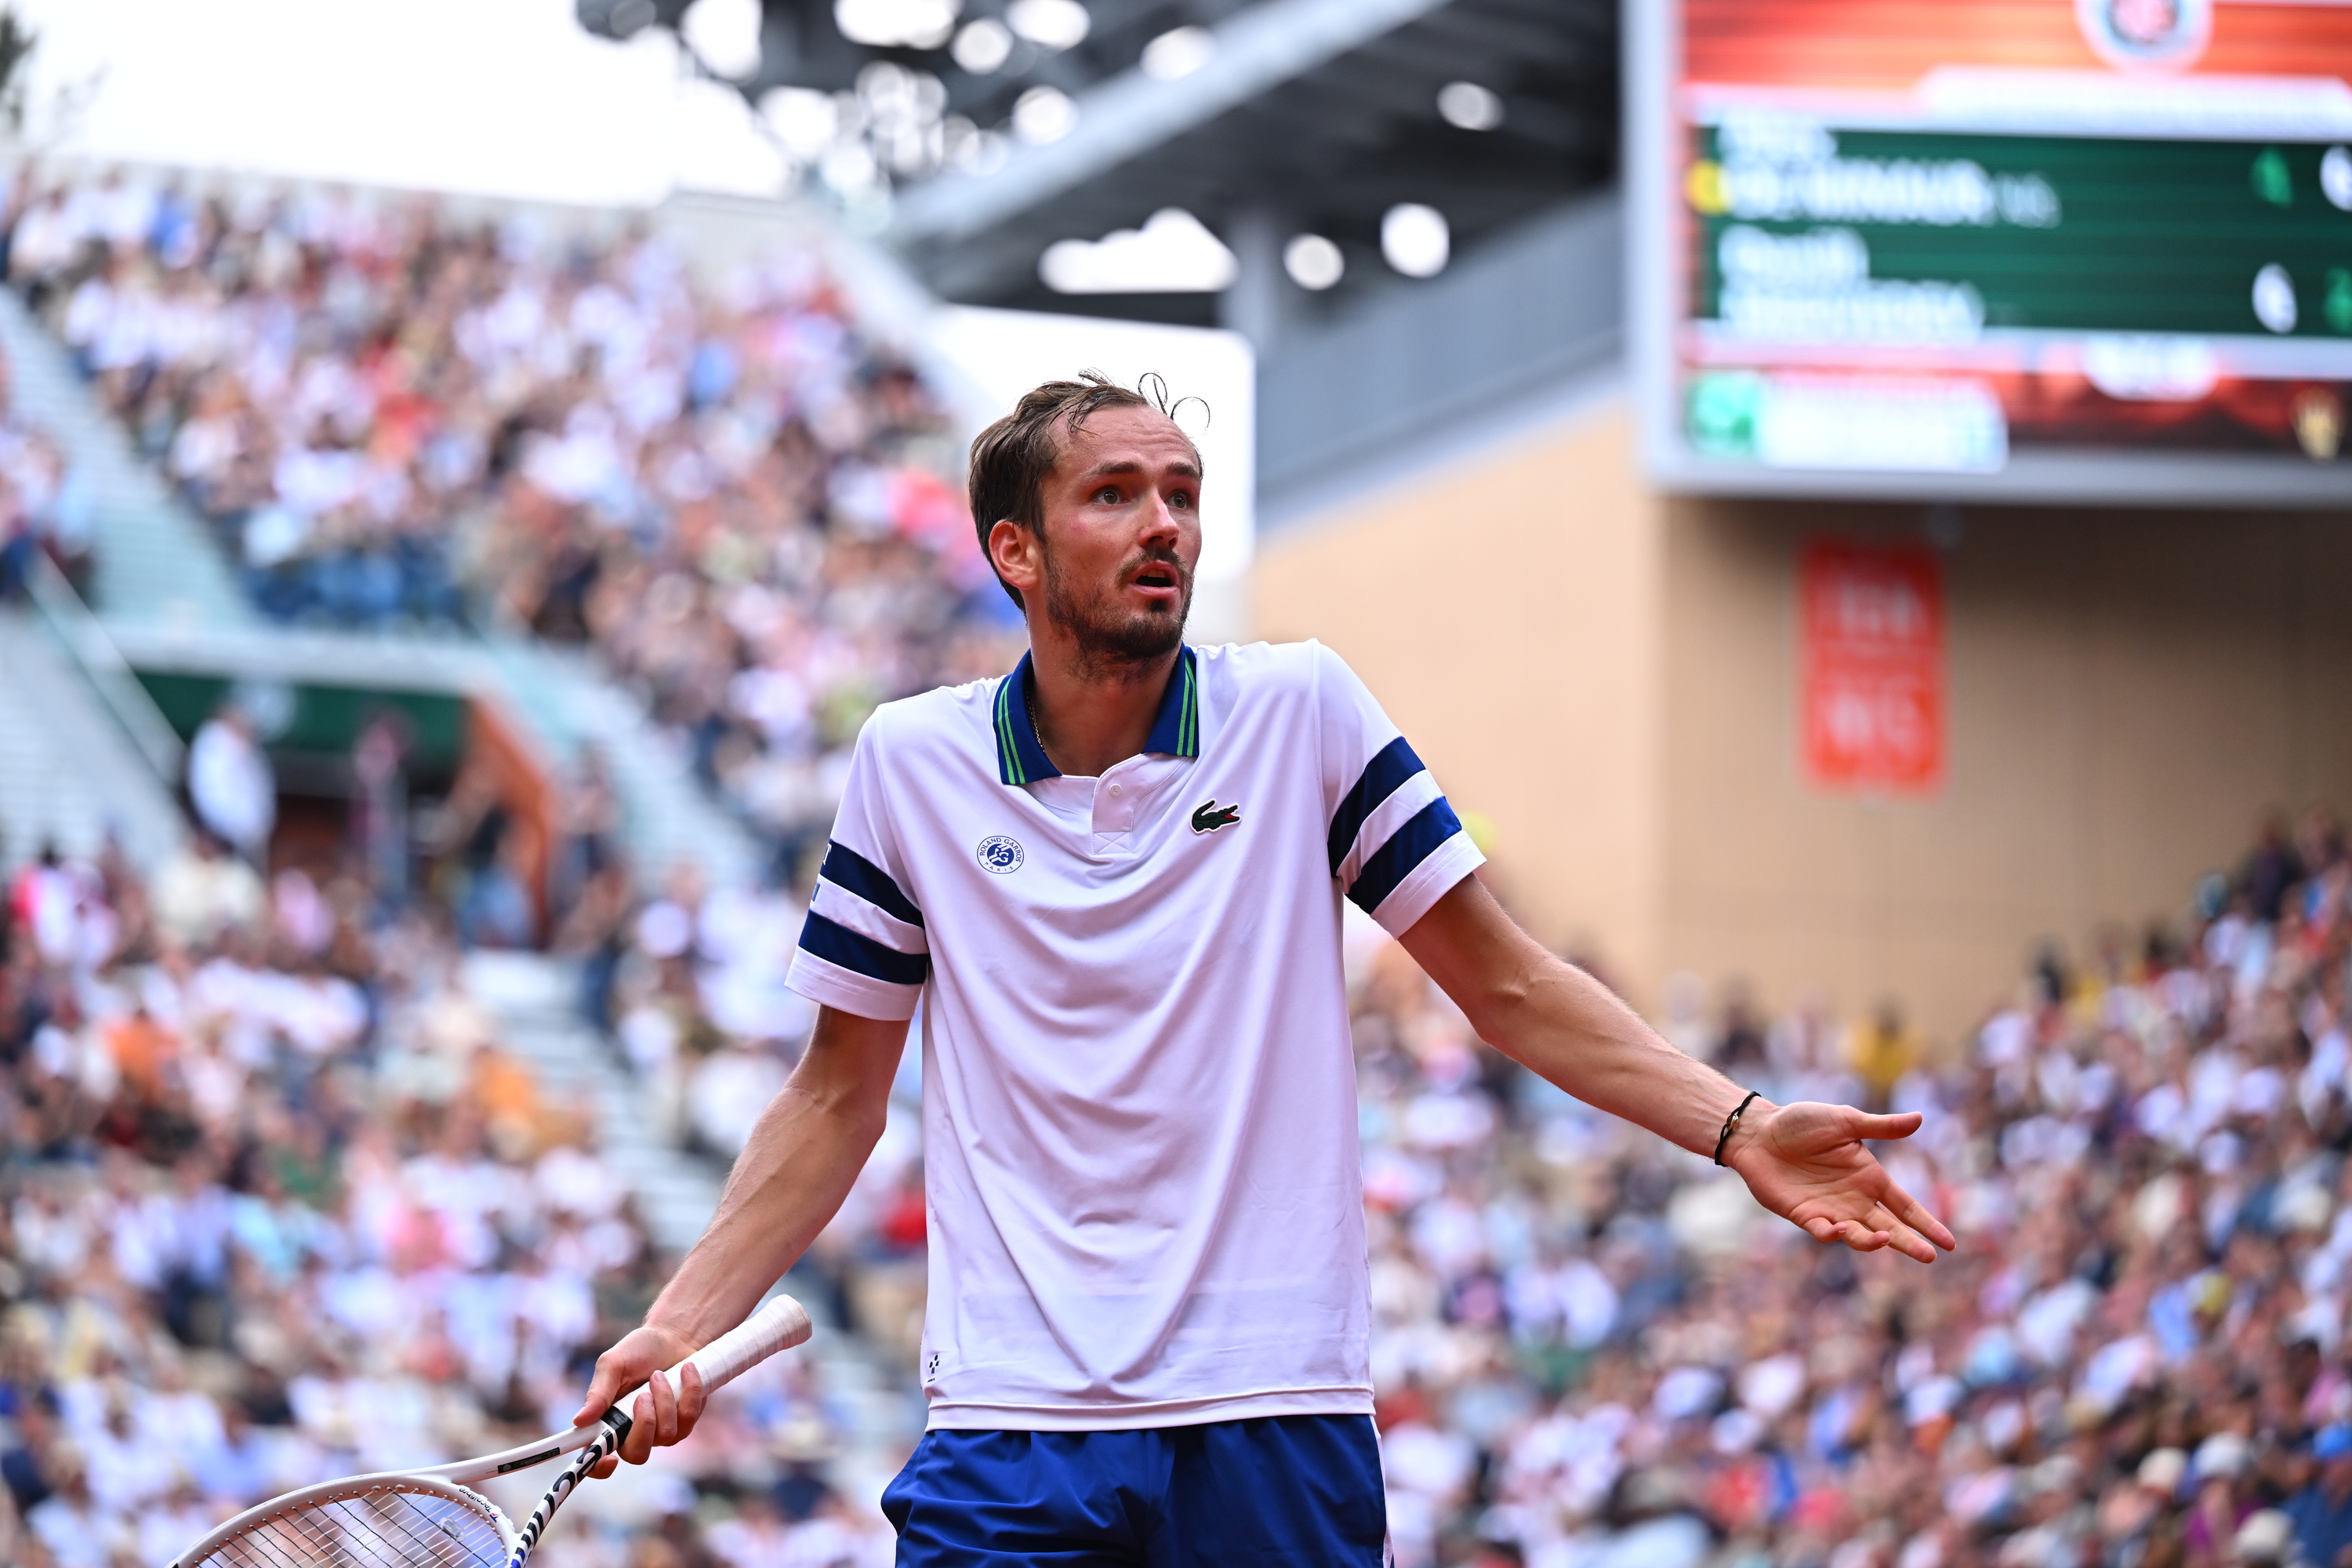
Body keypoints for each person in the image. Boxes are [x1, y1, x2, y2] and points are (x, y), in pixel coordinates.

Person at [575, 374, 1955, 1565]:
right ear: (1015, 550)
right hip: (1012, 1420)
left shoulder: (1302, 710)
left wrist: (1742, 1127)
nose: (1163, 522)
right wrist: (679, 1323)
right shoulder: (910, 764)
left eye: (1180, 492)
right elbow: (833, 1099)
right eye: (1113, 495)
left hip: (1275, 1413)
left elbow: (1507, 983)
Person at [187, 702, 275, 866]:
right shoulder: (214, 744)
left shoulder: (252, 752)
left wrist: (258, 830)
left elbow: (263, 793)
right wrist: (230, 829)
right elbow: (211, 791)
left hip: (251, 836)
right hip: (221, 832)